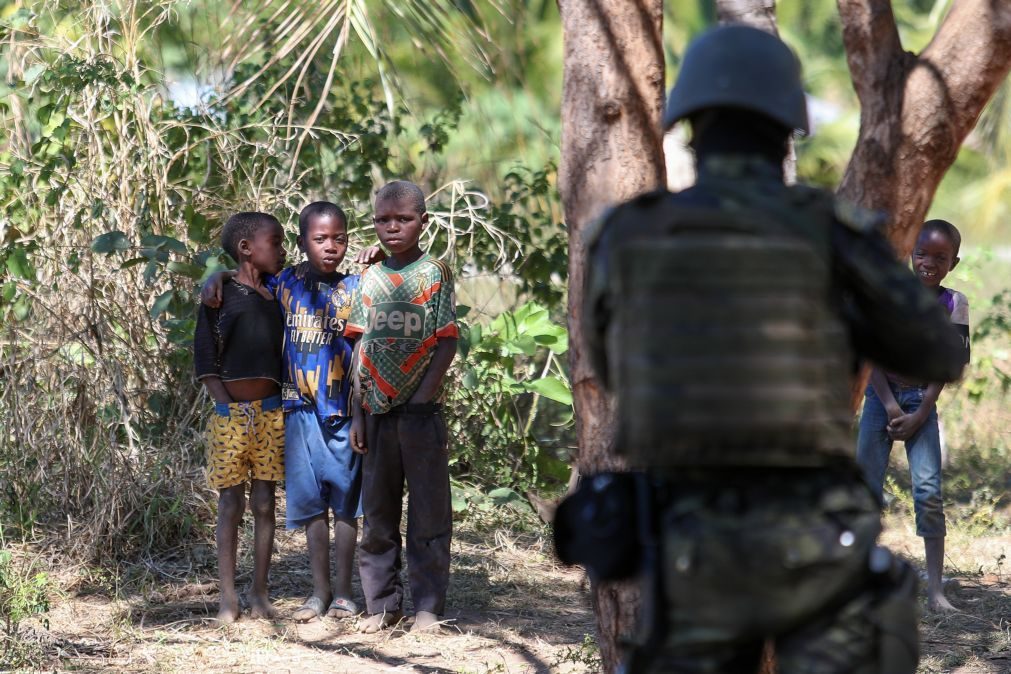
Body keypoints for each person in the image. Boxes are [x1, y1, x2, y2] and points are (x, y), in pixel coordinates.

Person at [575, 24, 967, 673]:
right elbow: (938, 355)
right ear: (787, 128)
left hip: (682, 532)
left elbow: (607, 360)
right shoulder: (831, 232)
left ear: (691, 125)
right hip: (805, 540)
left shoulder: (626, 234)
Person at [202, 202, 383, 622]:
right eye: (320, 239)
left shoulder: (355, 288)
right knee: (310, 508)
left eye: (340, 239)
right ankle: (318, 593)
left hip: (340, 412)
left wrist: (380, 257)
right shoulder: (286, 282)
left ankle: (343, 593)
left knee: (346, 507)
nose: (331, 247)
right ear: (303, 244)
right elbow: (247, 276)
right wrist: (219, 274)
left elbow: (364, 350)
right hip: (296, 411)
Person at [347, 180, 458, 634]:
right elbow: (359, 349)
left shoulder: (434, 274)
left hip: (420, 416)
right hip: (375, 414)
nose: (393, 228)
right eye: (383, 220)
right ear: (373, 223)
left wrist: (421, 397)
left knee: (429, 514)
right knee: (377, 515)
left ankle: (428, 607)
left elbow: (446, 343)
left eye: (404, 219)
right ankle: (382, 605)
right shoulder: (369, 279)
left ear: (423, 222)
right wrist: (358, 412)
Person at [857, 219, 970, 613]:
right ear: (910, 253)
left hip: (923, 401)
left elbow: (950, 362)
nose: (929, 263)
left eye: (940, 258)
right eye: (922, 253)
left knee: (929, 493)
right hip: (879, 400)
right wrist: (889, 405)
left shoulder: (954, 303)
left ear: (953, 263)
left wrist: (922, 409)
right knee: (865, 490)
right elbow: (871, 355)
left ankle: (936, 591)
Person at [194, 211, 287, 623]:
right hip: (229, 414)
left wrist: (223, 272)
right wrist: (224, 404)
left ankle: (260, 592)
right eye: (277, 242)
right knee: (231, 502)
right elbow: (205, 357)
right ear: (247, 248)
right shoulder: (217, 297)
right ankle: (228, 597)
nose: (283, 250)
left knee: (265, 502)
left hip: (270, 413)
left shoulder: (278, 293)